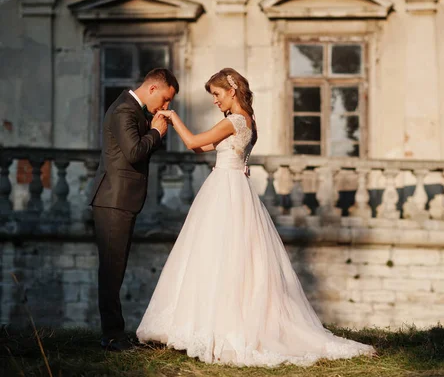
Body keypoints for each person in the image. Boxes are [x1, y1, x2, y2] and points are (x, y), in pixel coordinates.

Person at [136, 68, 375, 366]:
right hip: (234, 186)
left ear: (232, 91)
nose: (215, 101)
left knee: (220, 256)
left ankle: (219, 326)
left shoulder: (234, 121)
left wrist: (173, 119)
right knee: (230, 257)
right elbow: (205, 150)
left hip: (226, 189)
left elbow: (193, 144)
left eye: (217, 94)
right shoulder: (247, 122)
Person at [89, 68, 179, 351]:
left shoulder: (133, 110)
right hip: (113, 200)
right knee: (112, 270)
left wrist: (154, 127)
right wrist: (156, 131)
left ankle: (114, 333)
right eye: (164, 100)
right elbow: (134, 153)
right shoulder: (124, 111)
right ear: (152, 89)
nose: (165, 107)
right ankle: (112, 336)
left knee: (116, 267)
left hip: (120, 200)